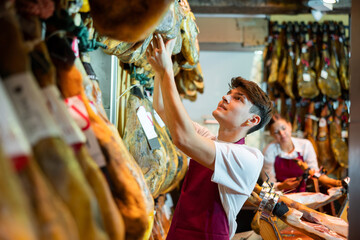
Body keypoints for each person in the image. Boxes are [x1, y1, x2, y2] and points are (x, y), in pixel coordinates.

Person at [146, 34, 273, 240]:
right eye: (229, 93)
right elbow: (162, 109)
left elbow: (184, 138)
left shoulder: (249, 157)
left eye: (238, 99)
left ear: (252, 120)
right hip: (178, 232)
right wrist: (160, 71)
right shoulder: (209, 139)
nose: (225, 97)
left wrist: (168, 71)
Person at [261, 113, 320, 193]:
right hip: (281, 196)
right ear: (271, 134)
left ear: (290, 126)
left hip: (305, 194)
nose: (282, 134)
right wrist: (282, 186)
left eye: (283, 128)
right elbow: (268, 185)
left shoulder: (305, 145)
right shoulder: (269, 151)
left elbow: (315, 174)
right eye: (276, 132)